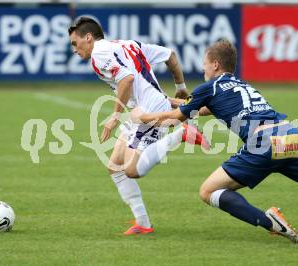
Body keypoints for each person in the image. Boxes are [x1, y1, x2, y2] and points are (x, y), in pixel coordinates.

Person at [133, 40, 298, 243]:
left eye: (205, 63)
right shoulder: (243, 85)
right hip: (290, 136)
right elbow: (199, 108)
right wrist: (170, 101)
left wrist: (143, 115)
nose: (203, 68)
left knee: (208, 192)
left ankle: (270, 221)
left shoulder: (210, 87)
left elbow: (174, 119)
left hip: (262, 143)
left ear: (215, 64)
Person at [68, 17, 208, 235]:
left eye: (75, 43)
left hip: (147, 111)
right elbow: (171, 56)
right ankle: (143, 223)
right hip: (143, 109)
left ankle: (182, 134)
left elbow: (127, 80)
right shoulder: (129, 44)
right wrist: (180, 86)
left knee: (131, 170)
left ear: (88, 37)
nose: (74, 49)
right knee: (114, 166)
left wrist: (114, 116)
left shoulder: (98, 54)